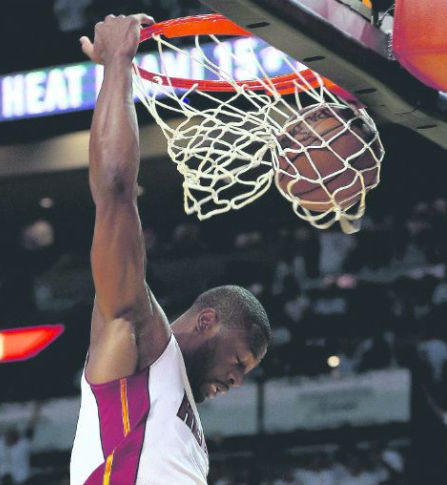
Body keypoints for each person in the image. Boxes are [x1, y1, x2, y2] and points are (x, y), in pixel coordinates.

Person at [69, 13, 272, 484]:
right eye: (239, 361)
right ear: (207, 321)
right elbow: (115, 192)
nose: (237, 379)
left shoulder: (185, 418)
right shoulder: (137, 333)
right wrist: (117, 64)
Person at [0, 392, 41, 485]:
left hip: (20, 481)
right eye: (7, 433)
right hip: (3, 480)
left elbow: (33, 423)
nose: (7, 435)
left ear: (16, 436)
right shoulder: (0, 443)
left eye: (11, 433)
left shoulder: (23, 444)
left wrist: (37, 403)